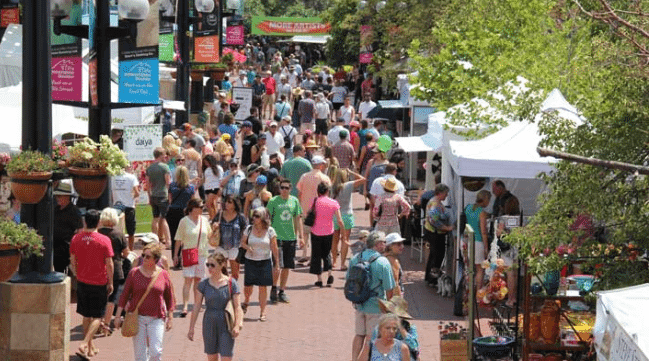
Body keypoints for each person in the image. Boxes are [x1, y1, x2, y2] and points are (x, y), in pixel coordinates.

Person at [114, 243, 175, 361]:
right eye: (143, 255)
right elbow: (124, 295)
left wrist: (170, 318)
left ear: (156, 260)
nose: (144, 258)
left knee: (156, 352)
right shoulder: (134, 273)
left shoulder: (163, 274)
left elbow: (169, 298)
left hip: (157, 318)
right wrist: (117, 316)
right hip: (138, 318)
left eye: (148, 256)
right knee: (140, 356)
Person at [69, 210, 115, 360]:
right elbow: (109, 264)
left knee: (86, 315)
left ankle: (90, 348)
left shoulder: (76, 238)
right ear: (99, 222)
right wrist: (111, 281)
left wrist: (77, 274)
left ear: (85, 222)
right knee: (97, 317)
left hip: (82, 281)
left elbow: (72, 260)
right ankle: (84, 344)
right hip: (98, 282)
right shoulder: (104, 240)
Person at [348, 231, 395, 361]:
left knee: (359, 335)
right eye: (384, 242)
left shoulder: (355, 258)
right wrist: (389, 307)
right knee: (371, 338)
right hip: (375, 306)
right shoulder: (382, 262)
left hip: (358, 303)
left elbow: (348, 281)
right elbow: (389, 288)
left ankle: (354, 359)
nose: (385, 245)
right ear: (378, 244)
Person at [188, 253, 243, 361]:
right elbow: (197, 306)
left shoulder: (231, 283)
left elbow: (238, 307)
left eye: (212, 265)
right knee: (212, 357)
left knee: (226, 357)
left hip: (226, 323)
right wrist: (191, 328)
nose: (209, 268)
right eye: (207, 265)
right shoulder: (203, 284)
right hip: (209, 322)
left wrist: (237, 325)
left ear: (222, 264)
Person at [173, 198, 214, 317]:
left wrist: (215, 229)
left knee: (198, 280)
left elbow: (210, 235)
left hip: (202, 254)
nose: (202, 209)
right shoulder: (184, 221)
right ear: (193, 208)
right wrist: (176, 255)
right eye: (200, 207)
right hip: (189, 253)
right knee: (188, 280)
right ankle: (185, 306)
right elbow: (178, 239)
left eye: (202, 207)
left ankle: (197, 303)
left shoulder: (204, 220)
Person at [266, 179, 304, 303]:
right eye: (282, 187)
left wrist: (301, 237)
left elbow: (298, 219)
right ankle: (273, 288)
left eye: (287, 188)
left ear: (290, 189)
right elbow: (267, 218)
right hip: (277, 238)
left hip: (291, 238)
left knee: (287, 266)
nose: (284, 190)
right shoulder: (273, 201)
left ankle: (282, 291)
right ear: (279, 189)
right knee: (277, 265)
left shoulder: (294, 201)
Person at [240, 207, 280, 321]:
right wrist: (248, 247)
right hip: (250, 261)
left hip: (265, 261)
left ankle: (263, 312)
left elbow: (274, 247)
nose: (254, 218)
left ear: (263, 218)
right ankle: (246, 301)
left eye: (257, 216)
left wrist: (277, 263)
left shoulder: (270, 231)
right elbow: (242, 242)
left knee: (263, 287)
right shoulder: (248, 229)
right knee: (248, 287)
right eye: (253, 215)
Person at [98, 208, 130, 337]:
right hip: (115, 268)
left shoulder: (98, 233)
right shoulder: (119, 234)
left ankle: (98, 322)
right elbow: (126, 252)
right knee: (112, 298)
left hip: (99, 268)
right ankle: (106, 324)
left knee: (100, 296)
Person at [296, 155, 332, 262]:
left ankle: (304, 253)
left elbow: (299, 193)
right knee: (316, 234)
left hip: (305, 208)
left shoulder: (304, 176)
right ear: (321, 165)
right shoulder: (325, 178)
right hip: (320, 209)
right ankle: (313, 257)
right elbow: (328, 194)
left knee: (305, 232)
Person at [491, 180, 520, 307]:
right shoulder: (519, 218)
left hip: (506, 248)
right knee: (514, 273)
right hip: (516, 247)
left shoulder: (504, 218)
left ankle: (509, 298)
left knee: (508, 273)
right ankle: (514, 297)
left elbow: (498, 233)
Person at [309, 182, 344, 287]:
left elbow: (310, 213)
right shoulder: (334, 202)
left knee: (316, 255)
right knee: (327, 253)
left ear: (318, 191)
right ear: (328, 191)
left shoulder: (315, 201)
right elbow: (339, 220)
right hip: (329, 231)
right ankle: (329, 274)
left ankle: (319, 279)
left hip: (316, 231)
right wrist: (343, 233)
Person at [331, 167, 366, 270]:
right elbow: (363, 179)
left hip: (335, 216)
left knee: (334, 240)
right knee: (345, 240)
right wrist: (351, 171)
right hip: (347, 215)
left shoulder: (331, 186)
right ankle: (342, 264)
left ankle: (334, 262)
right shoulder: (349, 185)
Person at [167, 166, 197, 269]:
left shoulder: (172, 186)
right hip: (185, 213)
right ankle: (189, 260)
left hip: (173, 212)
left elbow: (170, 201)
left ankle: (176, 261)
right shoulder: (191, 187)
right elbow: (193, 203)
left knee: (175, 237)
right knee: (188, 236)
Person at [423, 184, 453, 287]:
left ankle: (430, 277)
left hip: (433, 233)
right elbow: (434, 221)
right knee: (437, 256)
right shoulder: (435, 204)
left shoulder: (435, 201)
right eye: (445, 194)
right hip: (435, 233)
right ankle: (433, 279)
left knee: (434, 255)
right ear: (440, 193)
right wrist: (446, 228)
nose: (446, 196)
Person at [213, 195, 248, 280]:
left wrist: (243, 241)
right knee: (222, 271)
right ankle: (224, 289)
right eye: (226, 201)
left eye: (229, 202)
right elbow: (213, 223)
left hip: (235, 247)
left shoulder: (240, 217)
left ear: (235, 204)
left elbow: (246, 230)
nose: (226, 204)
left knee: (235, 274)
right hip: (221, 246)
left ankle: (233, 290)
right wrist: (214, 226)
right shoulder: (220, 214)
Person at [53, 181, 83, 273]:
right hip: (56, 247)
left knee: (71, 272)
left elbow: (79, 230)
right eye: (56, 196)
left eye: (59, 196)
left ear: (67, 197)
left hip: (68, 247)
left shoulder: (74, 211)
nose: (57, 198)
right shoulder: (56, 209)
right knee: (58, 270)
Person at [465, 190, 492, 289]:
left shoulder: (468, 208)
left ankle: (468, 291)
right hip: (478, 241)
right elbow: (483, 232)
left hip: (469, 240)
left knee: (470, 268)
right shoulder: (481, 212)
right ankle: (478, 293)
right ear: (485, 200)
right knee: (480, 269)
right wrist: (486, 248)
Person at [146, 147, 172, 248]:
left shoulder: (149, 168)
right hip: (163, 195)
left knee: (155, 218)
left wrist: (149, 197)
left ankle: (154, 241)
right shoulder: (164, 167)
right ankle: (168, 241)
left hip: (154, 195)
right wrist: (170, 195)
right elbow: (168, 183)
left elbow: (147, 185)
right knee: (164, 218)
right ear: (161, 155)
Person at [111, 165, 140, 250]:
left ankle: (118, 249)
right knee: (131, 231)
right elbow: (137, 193)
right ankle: (130, 250)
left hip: (117, 206)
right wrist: (132, 198)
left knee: (116, 230)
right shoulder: (131, 177)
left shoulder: (112, 177)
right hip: (129, 206)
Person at [202, 154, 223, 219]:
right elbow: (205, 179)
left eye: (207, 162)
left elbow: (221, 178)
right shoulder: (207, 170)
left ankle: (212, 218)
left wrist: (220, 188)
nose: (206, 164)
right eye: (205, 163)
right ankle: (215, 218)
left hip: (215, 187)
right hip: (207, 188)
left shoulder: (218, 168)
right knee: (212, 204)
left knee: (208, 204)